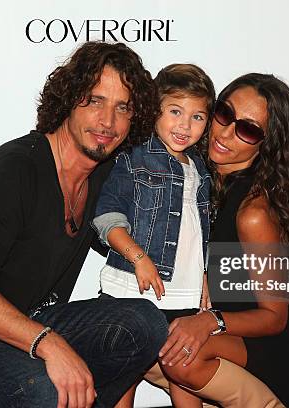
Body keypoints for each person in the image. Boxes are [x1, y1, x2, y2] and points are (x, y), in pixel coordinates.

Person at [0, 41, 169, 408]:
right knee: (45, 383)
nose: (108, 122)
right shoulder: (17, 169)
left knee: (145, 324)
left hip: (33, 323)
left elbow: (155, 222)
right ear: (70, 99)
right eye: (95, 101)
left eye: (122, 107)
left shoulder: (105, 175)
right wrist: (50, 343)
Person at [155, 73, 289, 408]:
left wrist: (208, 321)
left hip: (280, 353)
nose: (225, 132)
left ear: (267, 142)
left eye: (247, 129)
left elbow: (274, 317)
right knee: (139, 342)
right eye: (224, 113)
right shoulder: (194, 173)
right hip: (236, 336)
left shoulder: (253, 213)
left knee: (181, 351)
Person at [92, 63, 215, 407]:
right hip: (133, 290)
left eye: (197, 117)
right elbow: (107, 216)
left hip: (185, 297)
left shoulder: (200, 169)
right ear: (155, 110)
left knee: (186, 379)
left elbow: (199, 230)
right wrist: (139, 259)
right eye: (175, 111)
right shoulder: (133, 158)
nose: (185, 126)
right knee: (121, 383)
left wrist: (205, 274)